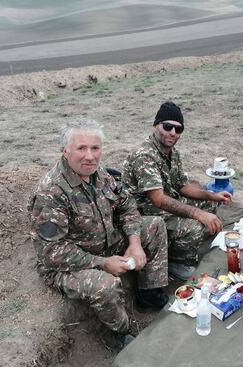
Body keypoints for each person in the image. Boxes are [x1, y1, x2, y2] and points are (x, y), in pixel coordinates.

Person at [28, 119, 169, 350]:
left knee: (155, 225)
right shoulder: (51, 192)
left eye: (95, 148)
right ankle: (118, 332)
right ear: (65, 151)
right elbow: (50, 252)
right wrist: (102, 263)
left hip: (105, 243)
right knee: (105, 285)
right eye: (81, 148)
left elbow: (126, 206)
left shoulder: (99, 174)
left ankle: (148, 294)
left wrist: (134, 243)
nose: (90, 156)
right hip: (67, 265)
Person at [122, 101, 232, 279]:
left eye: (178, 129)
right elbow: (158, 199)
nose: (173, 133)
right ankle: (177, 261)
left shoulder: (172, 153)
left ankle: (185, 244)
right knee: (194, 226)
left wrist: (212, 196)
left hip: (165, 203)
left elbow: (182, 186)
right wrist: (198, 214)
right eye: (167, 127)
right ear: (156, 125)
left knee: (209, 204)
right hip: (145, 213)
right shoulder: (144, 155)